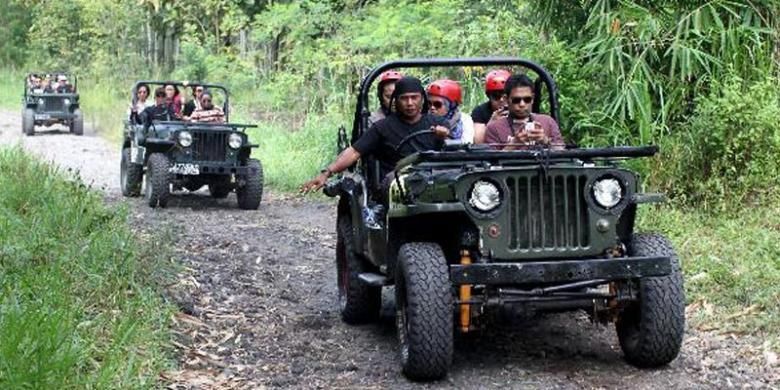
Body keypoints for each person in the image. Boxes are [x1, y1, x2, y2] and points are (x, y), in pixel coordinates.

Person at [301, 76, 450, 196]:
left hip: (433, 179)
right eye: (404, 98)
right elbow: (354, 152)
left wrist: (444, 136)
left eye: (414, 97)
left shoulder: (438, 123)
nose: (410, 103)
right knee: (401, 184)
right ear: (396, 100)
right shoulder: (382, 127)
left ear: (422, 99)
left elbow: (456, 149)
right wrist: (327, 172)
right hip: (396, 183)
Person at [483, 73, 563, 150]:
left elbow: (562, 153)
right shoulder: (494, 128)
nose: (522, 104)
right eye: (516, 100)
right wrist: (514, 143)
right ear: (506, 99)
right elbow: (491, 161)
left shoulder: (548, 122)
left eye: (527, 99)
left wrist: (545, 141)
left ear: (533, 98)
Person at [427, 79, 474, 143]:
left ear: (452, 105)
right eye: (429, 103)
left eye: (437, 104)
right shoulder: (422, 118)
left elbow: (466, 145)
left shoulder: (464, 120)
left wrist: (447, 136)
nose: (432, 108)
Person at [471, 69, 511, 143]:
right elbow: (478, 142)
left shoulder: (519, 106)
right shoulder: (480, 112)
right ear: (489, 96)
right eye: (496, 96)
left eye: (506, 96)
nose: (502, 100)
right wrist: (491, 124)